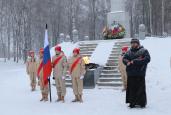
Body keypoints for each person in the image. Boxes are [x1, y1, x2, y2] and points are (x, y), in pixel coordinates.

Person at [123, 38, 151, 108]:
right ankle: (132, 103)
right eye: (132, 43)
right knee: (131, 89)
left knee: (140, 89)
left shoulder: (144, 51)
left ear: (138, 43)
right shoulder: (128, 52)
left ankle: (142, 103)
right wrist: (127, 62)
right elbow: (124, 59)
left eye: (135, 43)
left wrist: (135, 61)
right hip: (131, 73)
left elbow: (147, 59)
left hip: (140, 73)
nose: (133, 44)